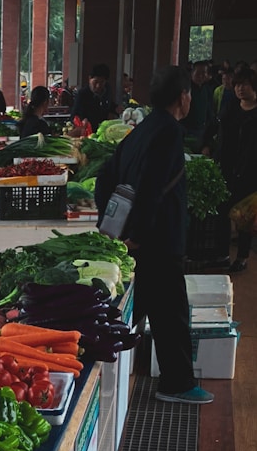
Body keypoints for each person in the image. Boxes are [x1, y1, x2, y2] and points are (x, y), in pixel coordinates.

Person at [95, 65, 213, 405]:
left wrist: (112, 224)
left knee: (138, 310)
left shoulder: (144, 128)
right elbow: (152, 189)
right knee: (171, 311)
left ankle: (113, 381)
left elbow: (105, 177)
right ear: (182, 97)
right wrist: (138, 234)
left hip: (141, 240)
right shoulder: (169, 132)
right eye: (189, 92)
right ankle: (176, 384)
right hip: (158, 241)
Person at [214, 66, 257, 273]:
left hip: (250, 172)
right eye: (238, 84)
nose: (240, 89)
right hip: (227, 168)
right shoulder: (230, 107)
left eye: (245, 85)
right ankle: (222, 254)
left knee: (245, 218)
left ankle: (241, 257)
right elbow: (218, 129)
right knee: (222, 212)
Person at [180, 60, 216, 151]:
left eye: (203, 73)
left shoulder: (207, 90)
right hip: (185, 129)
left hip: (202, 131)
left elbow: (209, 111)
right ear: (192, 72)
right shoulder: (185, 89)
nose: (200, 76)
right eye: (198, 72)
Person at [70, 63, 116, 133]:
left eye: (102, 82)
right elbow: (75, 114)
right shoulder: (82, 94)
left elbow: (109, 105)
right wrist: (82, 120)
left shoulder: (107, 90)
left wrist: (115, 109)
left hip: (104, 130)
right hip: (88, 131)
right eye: (95, 82)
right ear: (89, 79)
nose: (98, 86)